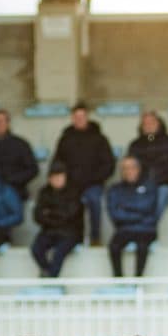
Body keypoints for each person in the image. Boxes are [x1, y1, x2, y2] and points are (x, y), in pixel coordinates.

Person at [52, 104, 116, 246]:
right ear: (72, 118)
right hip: (71, 184)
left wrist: (94, 179)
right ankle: (73, 238)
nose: (79, 119)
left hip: (93, 184)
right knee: (69, 203)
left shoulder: (100, 139)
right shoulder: (65, 139)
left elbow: (108, 164)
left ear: (87, 117)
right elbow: (57, 163)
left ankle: (95, 238)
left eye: (82, 116)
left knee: (94, 200)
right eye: (76, 117)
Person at [106, 155, 159, 278]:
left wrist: (126, 209)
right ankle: (119, 279)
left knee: (142, 247)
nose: (129, 171)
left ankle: (138, 281)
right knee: (114, 247)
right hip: (125, 229)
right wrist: (139, 215)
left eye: (132, 167)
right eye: (125, 168)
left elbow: (148, 207)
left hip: (145, 229)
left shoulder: (150, 186)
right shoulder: (115, 189)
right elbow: (115, 214)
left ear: (139, 169)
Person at [128, 110, 168, 219]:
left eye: (152, 122)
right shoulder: (135, 145)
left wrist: (163, 178)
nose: (149, 126)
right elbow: (129, 168)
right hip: (141, 185)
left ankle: (150, 227)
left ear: (159, 123)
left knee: (162, 193)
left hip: (164, 185)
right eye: (145, 123)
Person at [30, 163, 83, 279]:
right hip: (49, 231)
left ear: (65, 177)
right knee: (36, 249)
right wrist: (56, 216)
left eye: (60, 176)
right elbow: (37, 215)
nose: (57, 179)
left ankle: (50, 279)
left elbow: (70, 215)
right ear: (49, 178)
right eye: (54, 176)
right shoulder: (44, 192)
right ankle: (49, 274)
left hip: (70, 232)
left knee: (58, 253)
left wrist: (50, 213)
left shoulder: (73, 191)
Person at [0, 110, 39, 200]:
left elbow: (33, 169)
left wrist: (13, 180)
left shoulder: (21, 144)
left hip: (16, 191)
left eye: (2, 121)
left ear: (8, 123)